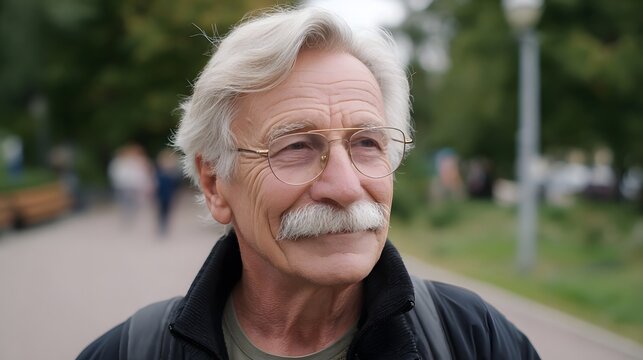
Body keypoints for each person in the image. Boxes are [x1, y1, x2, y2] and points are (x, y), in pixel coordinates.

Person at [78, 6, 539, 359]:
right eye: (295, 147)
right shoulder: (130, 351)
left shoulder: (473, 339)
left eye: (366, 144)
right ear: (216, 184)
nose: (345, 187)